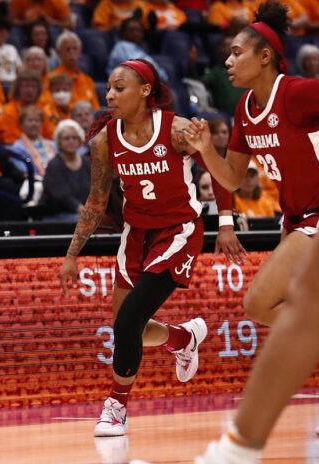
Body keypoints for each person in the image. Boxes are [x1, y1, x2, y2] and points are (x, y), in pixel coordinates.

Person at [59, 58, 243, 438]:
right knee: (128, 329)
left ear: (145, 91)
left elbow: (218, 170)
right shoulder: (104, 141)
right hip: (135, 234)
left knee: (127, 322)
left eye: (119, 88)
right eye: (108, 88)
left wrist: (225, 222)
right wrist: (72, 255)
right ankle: (184, 338)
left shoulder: (177, 130)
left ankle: (116, 408)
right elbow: (95, 202)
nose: (109, 94)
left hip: (178, 232)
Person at [184, 1, 319, 327]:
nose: (227, 61)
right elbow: (230, 178)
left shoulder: (297, 93)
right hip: (294, 219)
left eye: (237, 53)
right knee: (274, 309)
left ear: (264, 57)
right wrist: (205, 149)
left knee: (259, 302)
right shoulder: (245, 108)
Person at [194, 233, 319, 463]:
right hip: (298, 218)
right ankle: (235, 453)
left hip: (310, 219)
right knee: (276, 303)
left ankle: (235, 454)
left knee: (305, 301)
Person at [40, 119, 91, 220]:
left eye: (74, 138)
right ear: (59, 141)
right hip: (58, 216)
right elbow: (61, 197)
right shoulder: (54, 165)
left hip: (84, 213)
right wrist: (84, 211)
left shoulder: (86, 162)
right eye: (66, 138)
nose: (71, 141)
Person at [46, 31, 100, 110]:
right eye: (67, 49)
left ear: (80, 52)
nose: (71, 52)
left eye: (75, 48)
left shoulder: (88, 81)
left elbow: (96, 109)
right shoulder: (51, 79)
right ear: (59, 53)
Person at [107, 17, 169, 82]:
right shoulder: (121, 46)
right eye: (131, 30)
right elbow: (133, 70)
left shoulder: (142, 49)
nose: (136, 33)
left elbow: (161, 75)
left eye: (139, 30)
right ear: (123, 32)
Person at [0, 70, 46, 144]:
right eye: (26, 86)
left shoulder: (42, 110)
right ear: (18, 89)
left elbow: (49, 135)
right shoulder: (8, 111)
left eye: (34, 86)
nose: (30, 90)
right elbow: (9, 138)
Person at [199, 37, 247, 116]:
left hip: (247, 114)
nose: (230, 49)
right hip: (224, 116)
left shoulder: (247, 70)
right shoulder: (216, 71)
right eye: (227, 46)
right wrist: (191, 66)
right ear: (221, 49)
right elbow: (198, 84)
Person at [9, 104, 55, 177]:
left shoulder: (53, 145)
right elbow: (24, 172)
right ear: (21, 125)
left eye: (37, 120)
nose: (34, 124)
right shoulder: (17, 148)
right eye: (30, 120)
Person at [40, 73, 73, 139]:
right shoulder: (46, 111)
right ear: (50, 91)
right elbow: (50, 133)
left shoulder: (74, 109)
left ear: (71, 91)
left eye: (65, 90)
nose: (61, 94)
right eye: (57, 90)